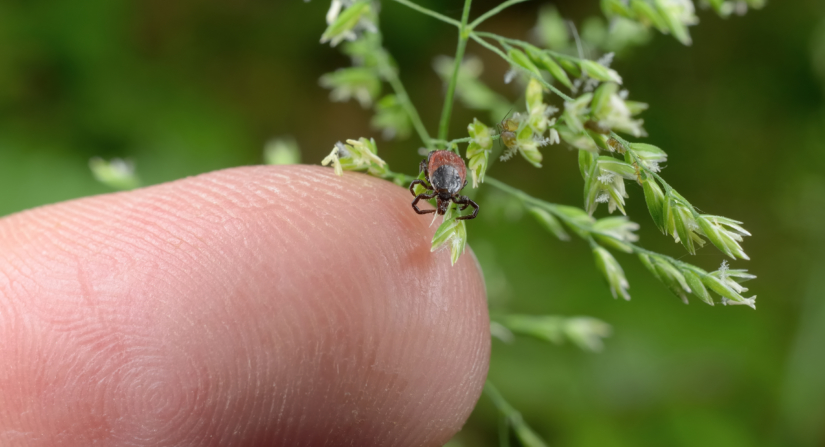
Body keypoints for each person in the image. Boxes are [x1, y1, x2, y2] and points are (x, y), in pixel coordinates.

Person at [0, 166, 490, 446]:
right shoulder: (447, 186)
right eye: (442, 200)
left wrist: (432, 197)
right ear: (446, 191)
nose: (442, 203)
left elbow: (421, 192)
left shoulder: (432, 188)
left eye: (443, 201)